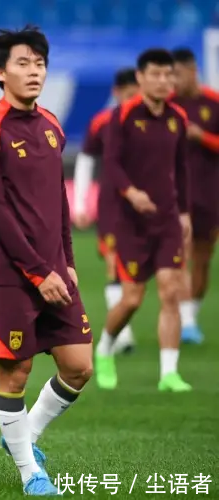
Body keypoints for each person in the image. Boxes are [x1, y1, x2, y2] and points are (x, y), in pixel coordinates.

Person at [0, 26, 93, 495]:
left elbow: (58, 199)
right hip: (7, 277)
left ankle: (24, 435)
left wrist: (67, 260)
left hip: (56, 272)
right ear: (0, 72)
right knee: (15, 372)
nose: (34, 70)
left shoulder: (51, 124)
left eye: (40, 63)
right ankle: (30, 472)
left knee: (79, 366)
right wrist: (38, 272)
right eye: (23, 63)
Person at [95, 49, 192, 392]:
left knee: (170, 292)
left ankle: (169, 373)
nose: (164, 81)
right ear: (141, 78)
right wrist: (131, 192)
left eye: (168, 75)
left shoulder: (177, 117)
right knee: (132, 299)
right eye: (156, 74)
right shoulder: (122, 116)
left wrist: (184, 212)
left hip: (167, 221)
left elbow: (181, 168)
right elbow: (111, 163)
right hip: (131, 224)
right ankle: (104, 349)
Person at [71, 68, 139, 355]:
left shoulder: (157, 121)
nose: (134, 100)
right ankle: (123, 335)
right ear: (117, 93)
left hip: (149, 209)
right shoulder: (103, 122)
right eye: (129, 94)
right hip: (113, 207)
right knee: (114, 266)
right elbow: (86, 160)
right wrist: (80, 203)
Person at [170, 47, 219, 345]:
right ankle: (186, 322)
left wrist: (204, 137)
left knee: (202, 259)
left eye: (178, 74)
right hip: (176, 195)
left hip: (210, 194)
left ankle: (191, 318)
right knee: (181, 256)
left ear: (193, 71)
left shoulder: (213, 102)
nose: (174, 80)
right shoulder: (168, 104)